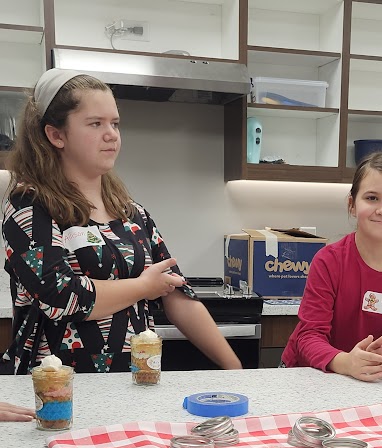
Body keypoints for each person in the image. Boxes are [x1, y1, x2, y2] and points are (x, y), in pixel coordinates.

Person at [2, 69, 242, 374]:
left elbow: (177, 294)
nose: (111, 134)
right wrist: (143, 286)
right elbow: (61, 296)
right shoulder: (30, 206)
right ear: (56, 135)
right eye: (95, 123)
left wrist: (234, 367)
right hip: (57, 393)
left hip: (136, 386)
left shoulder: (132, 213)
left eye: (115, 123)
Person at [281, 153, 382, 381]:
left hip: (370, 377)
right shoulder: (328, 261)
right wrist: (347, 362)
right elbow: (309, 337)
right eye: (372, 198)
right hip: (313, 377)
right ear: (352, 204)